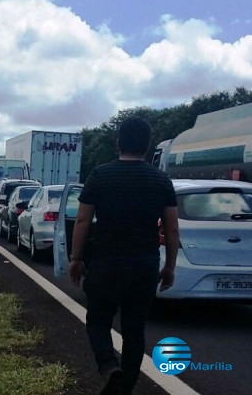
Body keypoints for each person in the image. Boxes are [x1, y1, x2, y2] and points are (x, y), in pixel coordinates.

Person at [68, 116, 179, 395]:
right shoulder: (161, 180)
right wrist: (170, 268)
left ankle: (108, 367)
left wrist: (75, 258)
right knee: (134, 330)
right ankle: (125, 387)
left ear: (118, 142)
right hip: (145, 265)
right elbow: (171, 227)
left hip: (106, 262)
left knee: (97, 321)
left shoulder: (100, 175)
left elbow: (82, 221)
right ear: (147, 145)